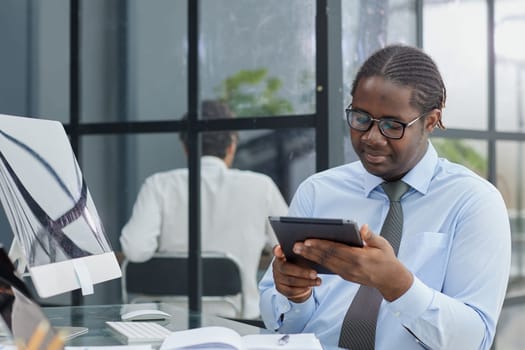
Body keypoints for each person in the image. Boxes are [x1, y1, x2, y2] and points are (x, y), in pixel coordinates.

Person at [259, 44, 511, 349]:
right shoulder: (318, 191)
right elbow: (279, 323)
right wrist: (294, 296)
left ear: (431, 121)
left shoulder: (473, 202)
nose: (371, 137)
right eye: (361, 118)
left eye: (392, 125)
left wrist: (397, 285)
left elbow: (474, 339)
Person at [120, 100, 288, 319]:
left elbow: (135, 249)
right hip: (240, 323)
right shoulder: (261, 186)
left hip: (170, 323)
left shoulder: (158, 185)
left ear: (185, 147)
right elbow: (289, 248)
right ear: (231, 146)